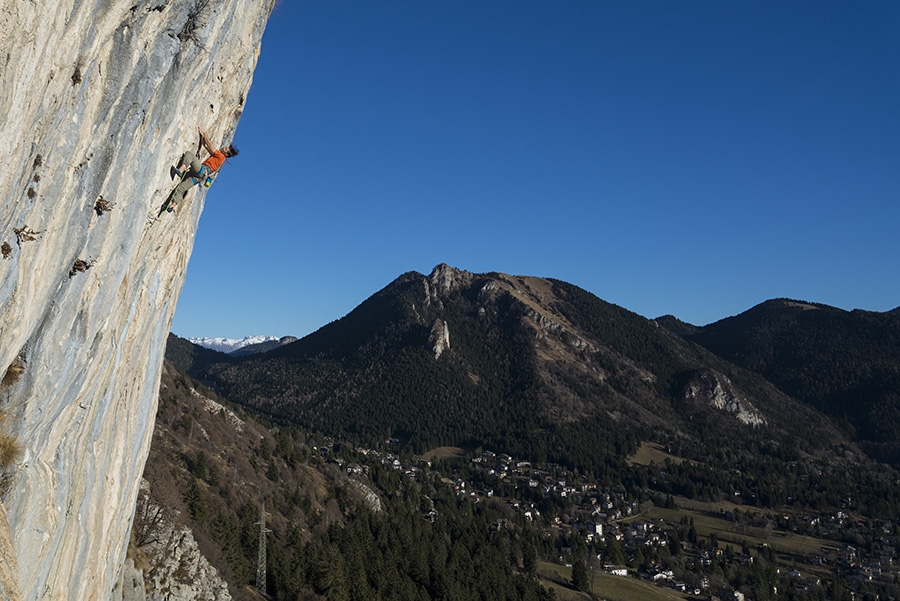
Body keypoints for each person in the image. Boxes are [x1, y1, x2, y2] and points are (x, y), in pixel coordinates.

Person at [167, 127, 239, 208]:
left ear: (226, 154)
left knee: (189, 155)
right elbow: (205, 145)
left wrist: (205, 133)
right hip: (200, 177)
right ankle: (172, 206)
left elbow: (210, 145)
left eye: (225, 149)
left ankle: (180, 170)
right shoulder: (219, 158)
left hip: (202, 170)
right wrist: (202, 137)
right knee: (181, 188)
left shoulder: (221, 156)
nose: (223, 147)